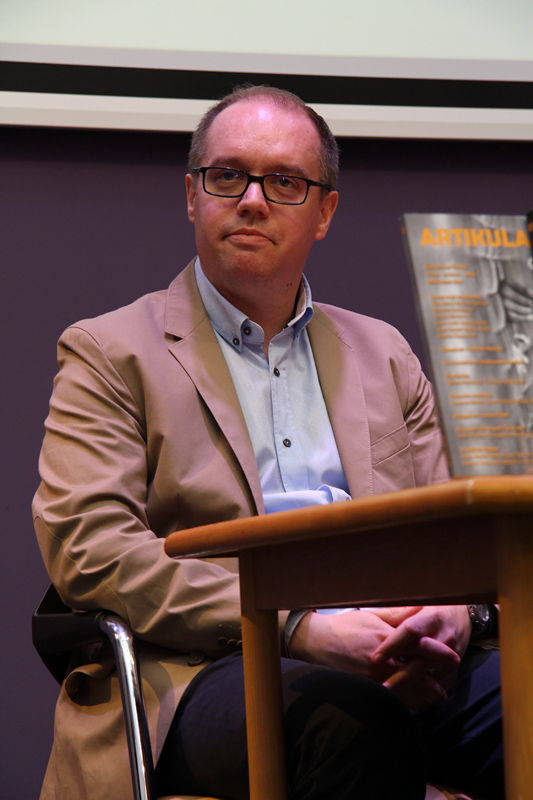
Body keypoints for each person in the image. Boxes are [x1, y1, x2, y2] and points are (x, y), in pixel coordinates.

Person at [33, 84, 503, 800]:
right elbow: (91, 550)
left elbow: (448, 540)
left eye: (284, 182)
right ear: (192, 197)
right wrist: (295, 628)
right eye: (228, 176)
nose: (252, 200)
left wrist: (453, 615)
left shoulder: (384, 353)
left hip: (395, 652)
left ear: (325, 212)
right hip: (197, 668)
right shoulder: (108, 351)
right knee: (352, 722)